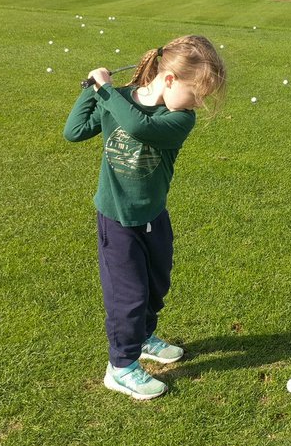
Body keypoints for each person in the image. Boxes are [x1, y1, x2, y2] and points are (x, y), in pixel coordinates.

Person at [63, 36, 226, 400]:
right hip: (117, 221)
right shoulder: (116, 99)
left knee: (155, 286)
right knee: (129, 296)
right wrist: (93, 89)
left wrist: (107, 92)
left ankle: (144, 337)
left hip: (153, 216)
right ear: (169, 79)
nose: (198, 103)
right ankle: (121, 367)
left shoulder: (179, 118)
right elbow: (74, 132)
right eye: (196, 93)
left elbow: (140, 127)